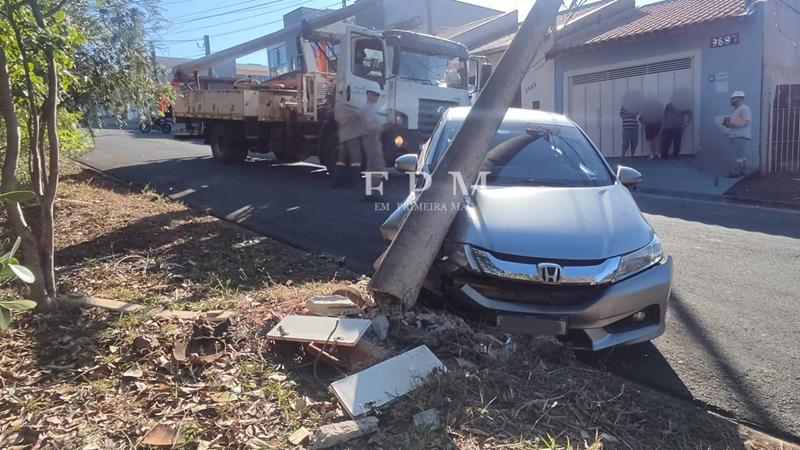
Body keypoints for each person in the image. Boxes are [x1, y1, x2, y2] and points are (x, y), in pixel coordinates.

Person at [360, 89, 386, 200]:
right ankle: (373, 192)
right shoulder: (367, 109)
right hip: (371, 138)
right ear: (369, 95)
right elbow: (368, 126)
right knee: (377, 165)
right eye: (375, 95)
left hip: (373, 139)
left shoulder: (370, 108)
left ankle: (369, 191)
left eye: (378, 95)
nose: (377, 97)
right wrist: (383, 127)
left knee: (372, 166)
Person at [722, 90, 752, 177]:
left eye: (732, 99)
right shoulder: (737, 110)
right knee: (740, 154)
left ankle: (736, 172)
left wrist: (733, 124)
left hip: (740, 135)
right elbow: (736, 123)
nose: (730, 101)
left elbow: (746, 122)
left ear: (739, 99)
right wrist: (727, 124)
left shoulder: (745, 109)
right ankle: (741, 170)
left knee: (739, 155)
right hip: (736, 135)